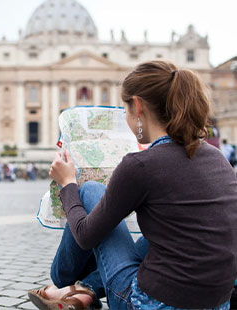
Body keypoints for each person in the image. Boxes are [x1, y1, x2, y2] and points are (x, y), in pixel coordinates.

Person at [28, 60, 237, 310]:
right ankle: (84, 290)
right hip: (217, 304)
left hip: (146, 304)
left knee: (88, 190)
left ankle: (65, 284)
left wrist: (67, 184)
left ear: (137, 106)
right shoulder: (218, 158)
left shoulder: (140, 165)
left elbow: (85, 235)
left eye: (125, 110)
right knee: (173, 228)